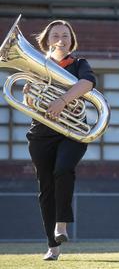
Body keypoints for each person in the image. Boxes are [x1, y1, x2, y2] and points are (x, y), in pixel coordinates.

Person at [24, 20, 97, 260]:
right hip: (41, 134)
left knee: (63, 170)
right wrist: (30, 98)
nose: (61, 39)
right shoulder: (38, 66)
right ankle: (52, 247)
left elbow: (87, 83)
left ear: (71, 40)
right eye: (56, 35)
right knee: (45, 187)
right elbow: (30, 103)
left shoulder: (79, 64)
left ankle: (62, 224)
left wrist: (62, 100)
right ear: (46, 40)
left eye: (66, 36)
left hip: (72, 132)